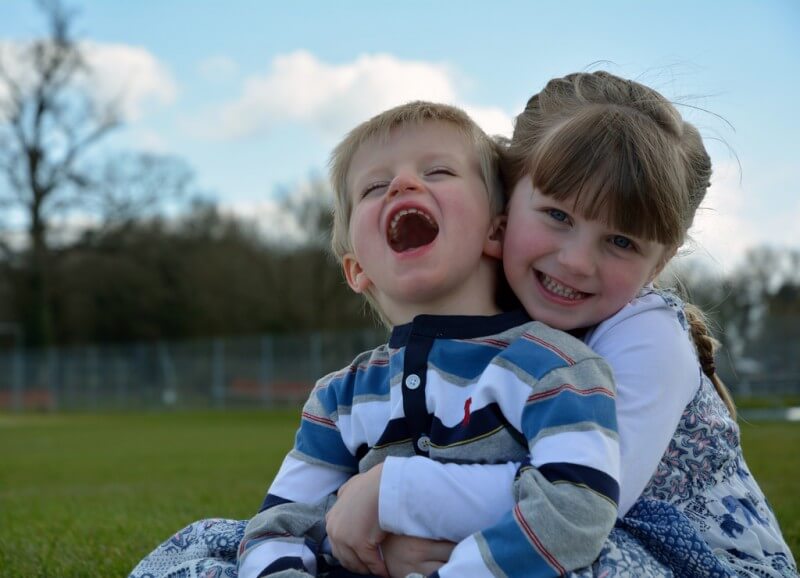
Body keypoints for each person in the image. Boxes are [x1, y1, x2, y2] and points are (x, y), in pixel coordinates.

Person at [328, 71, 797, 577]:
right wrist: (383, 535)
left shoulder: (648, 337)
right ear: (505, 204)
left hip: (684, 559)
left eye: (621, 242)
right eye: (556, 215)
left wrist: (389, 495)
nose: (576, 262)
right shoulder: (496, 322)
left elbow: (583, 503)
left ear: (658, 265)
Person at [235, 100, 622, 578]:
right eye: (376, 186)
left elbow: (576, 510)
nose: (403, 184)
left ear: (496, 232)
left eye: (438, 171)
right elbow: (274, 528)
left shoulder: (554, 367)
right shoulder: (338, 399)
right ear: (357, 269)